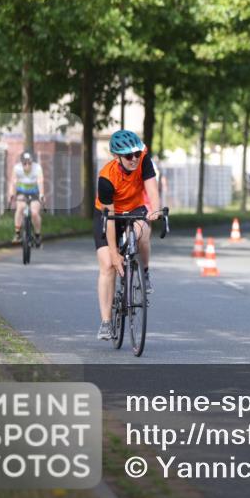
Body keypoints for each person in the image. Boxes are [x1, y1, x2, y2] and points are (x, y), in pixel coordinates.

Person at [93, 130, 162, 341]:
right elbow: (111, 218)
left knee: (143, 233)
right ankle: (106, 323)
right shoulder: (106, 178)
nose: (134, 159)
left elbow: (152, 190)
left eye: (136, 154)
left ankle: (145, 272)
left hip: (134, 208)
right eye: (128, 156)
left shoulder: (143, 159)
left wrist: (156, 210)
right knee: (107, 265)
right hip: (109, 214)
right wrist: (114, 254)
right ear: (117, 156)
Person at [9, 151, 45, 247]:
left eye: (29, 163)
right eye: (25, 163)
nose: (27, 166)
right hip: (22, 191)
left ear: (32, 162)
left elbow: (40, 181)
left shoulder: (37, 168)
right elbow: (13, 181)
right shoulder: (17, 168)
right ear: (21, 163)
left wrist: (41, 194)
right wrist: (11, 193)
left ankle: (37, 235)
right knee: (20, 208)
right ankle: (17, 233)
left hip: (34, 192)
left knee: (34, 213)